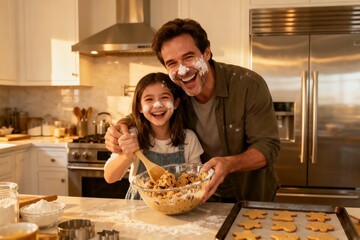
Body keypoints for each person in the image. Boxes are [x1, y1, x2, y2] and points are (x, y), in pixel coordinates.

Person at [105, 18, 280, 203]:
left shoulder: (248, 85)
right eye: (172, 63)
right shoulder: (176, 90)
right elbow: (145, 112)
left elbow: (268, 147)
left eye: (188, 57)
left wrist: (229, 163)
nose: (182, 70)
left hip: (249, 194)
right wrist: (120, 127)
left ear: (206, 53)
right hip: (201, 197)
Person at [103, 72, 203, 199]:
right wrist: (126, 155)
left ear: (176, 103)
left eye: (165, 97)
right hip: (138, 208)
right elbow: (110, 177)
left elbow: (198, 179)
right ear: (140, 107)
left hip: (178, 205)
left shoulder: (189, 138)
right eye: (149, 99)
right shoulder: (132, 136)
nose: (157, 105)